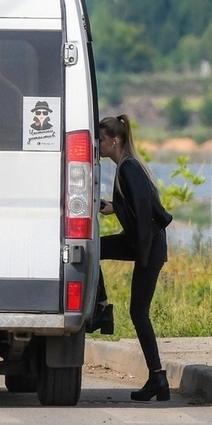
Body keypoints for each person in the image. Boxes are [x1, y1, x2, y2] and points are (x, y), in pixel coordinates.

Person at [87, 113, 173, 402]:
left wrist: (145, 255)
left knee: (139, 313)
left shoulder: (128, 168)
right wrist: (112, 206)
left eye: (99, 141)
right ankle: (101, 306)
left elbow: (147, 211)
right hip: (140, 243)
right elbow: (135, 206)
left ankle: (158, 378)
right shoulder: (126, 166)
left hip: (147, 246)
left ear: (115, 140)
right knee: (93, 248)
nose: (97, 147)